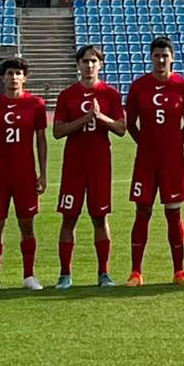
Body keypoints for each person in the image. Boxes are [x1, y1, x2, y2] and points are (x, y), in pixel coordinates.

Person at [123, 37, 184, 286]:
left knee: (173, 213)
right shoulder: (139, 86)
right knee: (142, 211)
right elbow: (130, 123)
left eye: (165, 55)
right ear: (151, 58)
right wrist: (145, 143)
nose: (161, 60)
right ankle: (135, 272)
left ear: (172, 58)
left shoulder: (182, 86)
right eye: (156, 55)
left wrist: (175, 143)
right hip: (145, 161)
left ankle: (179, 272)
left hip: (172, 162)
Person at [52, 44, 126, 289]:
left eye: (94, 61)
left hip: (99, 165)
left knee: (99, 217)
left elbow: (121, 129)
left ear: (100, 64)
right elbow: (58, 131)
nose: (89, 65)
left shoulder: (110, 95)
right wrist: (84, 119)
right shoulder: (67, 95)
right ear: (78, 64)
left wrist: (101, 117)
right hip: (74, 165)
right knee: (69, 218)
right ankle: (65, 275)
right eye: (85, 61)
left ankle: (103, 273)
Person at [0, 57, 48, 292]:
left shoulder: (36, 104)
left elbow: (41, 140)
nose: (13, 77)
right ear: (3, 78)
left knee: (27, 225)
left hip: (25, 175)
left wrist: (43, 173)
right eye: (9, 73)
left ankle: (29, 276)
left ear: (24, 77)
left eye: (17, 73)